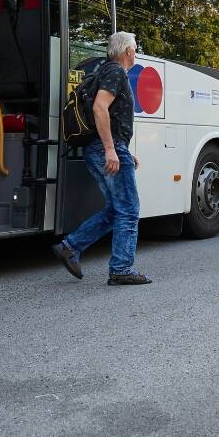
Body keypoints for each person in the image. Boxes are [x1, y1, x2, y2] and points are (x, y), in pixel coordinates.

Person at [51, 32, 150, 284]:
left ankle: (70, 247)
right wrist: (111, 149)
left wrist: (122, 150)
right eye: (135, 49)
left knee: (116, 209)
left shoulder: (106, 71)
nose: (136, 53)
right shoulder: (116, 72)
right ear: (127, 51)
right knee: (128, 209)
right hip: (104, 148)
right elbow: (99, 108)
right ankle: (121, 269)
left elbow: (110, 118)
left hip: (102, 147)